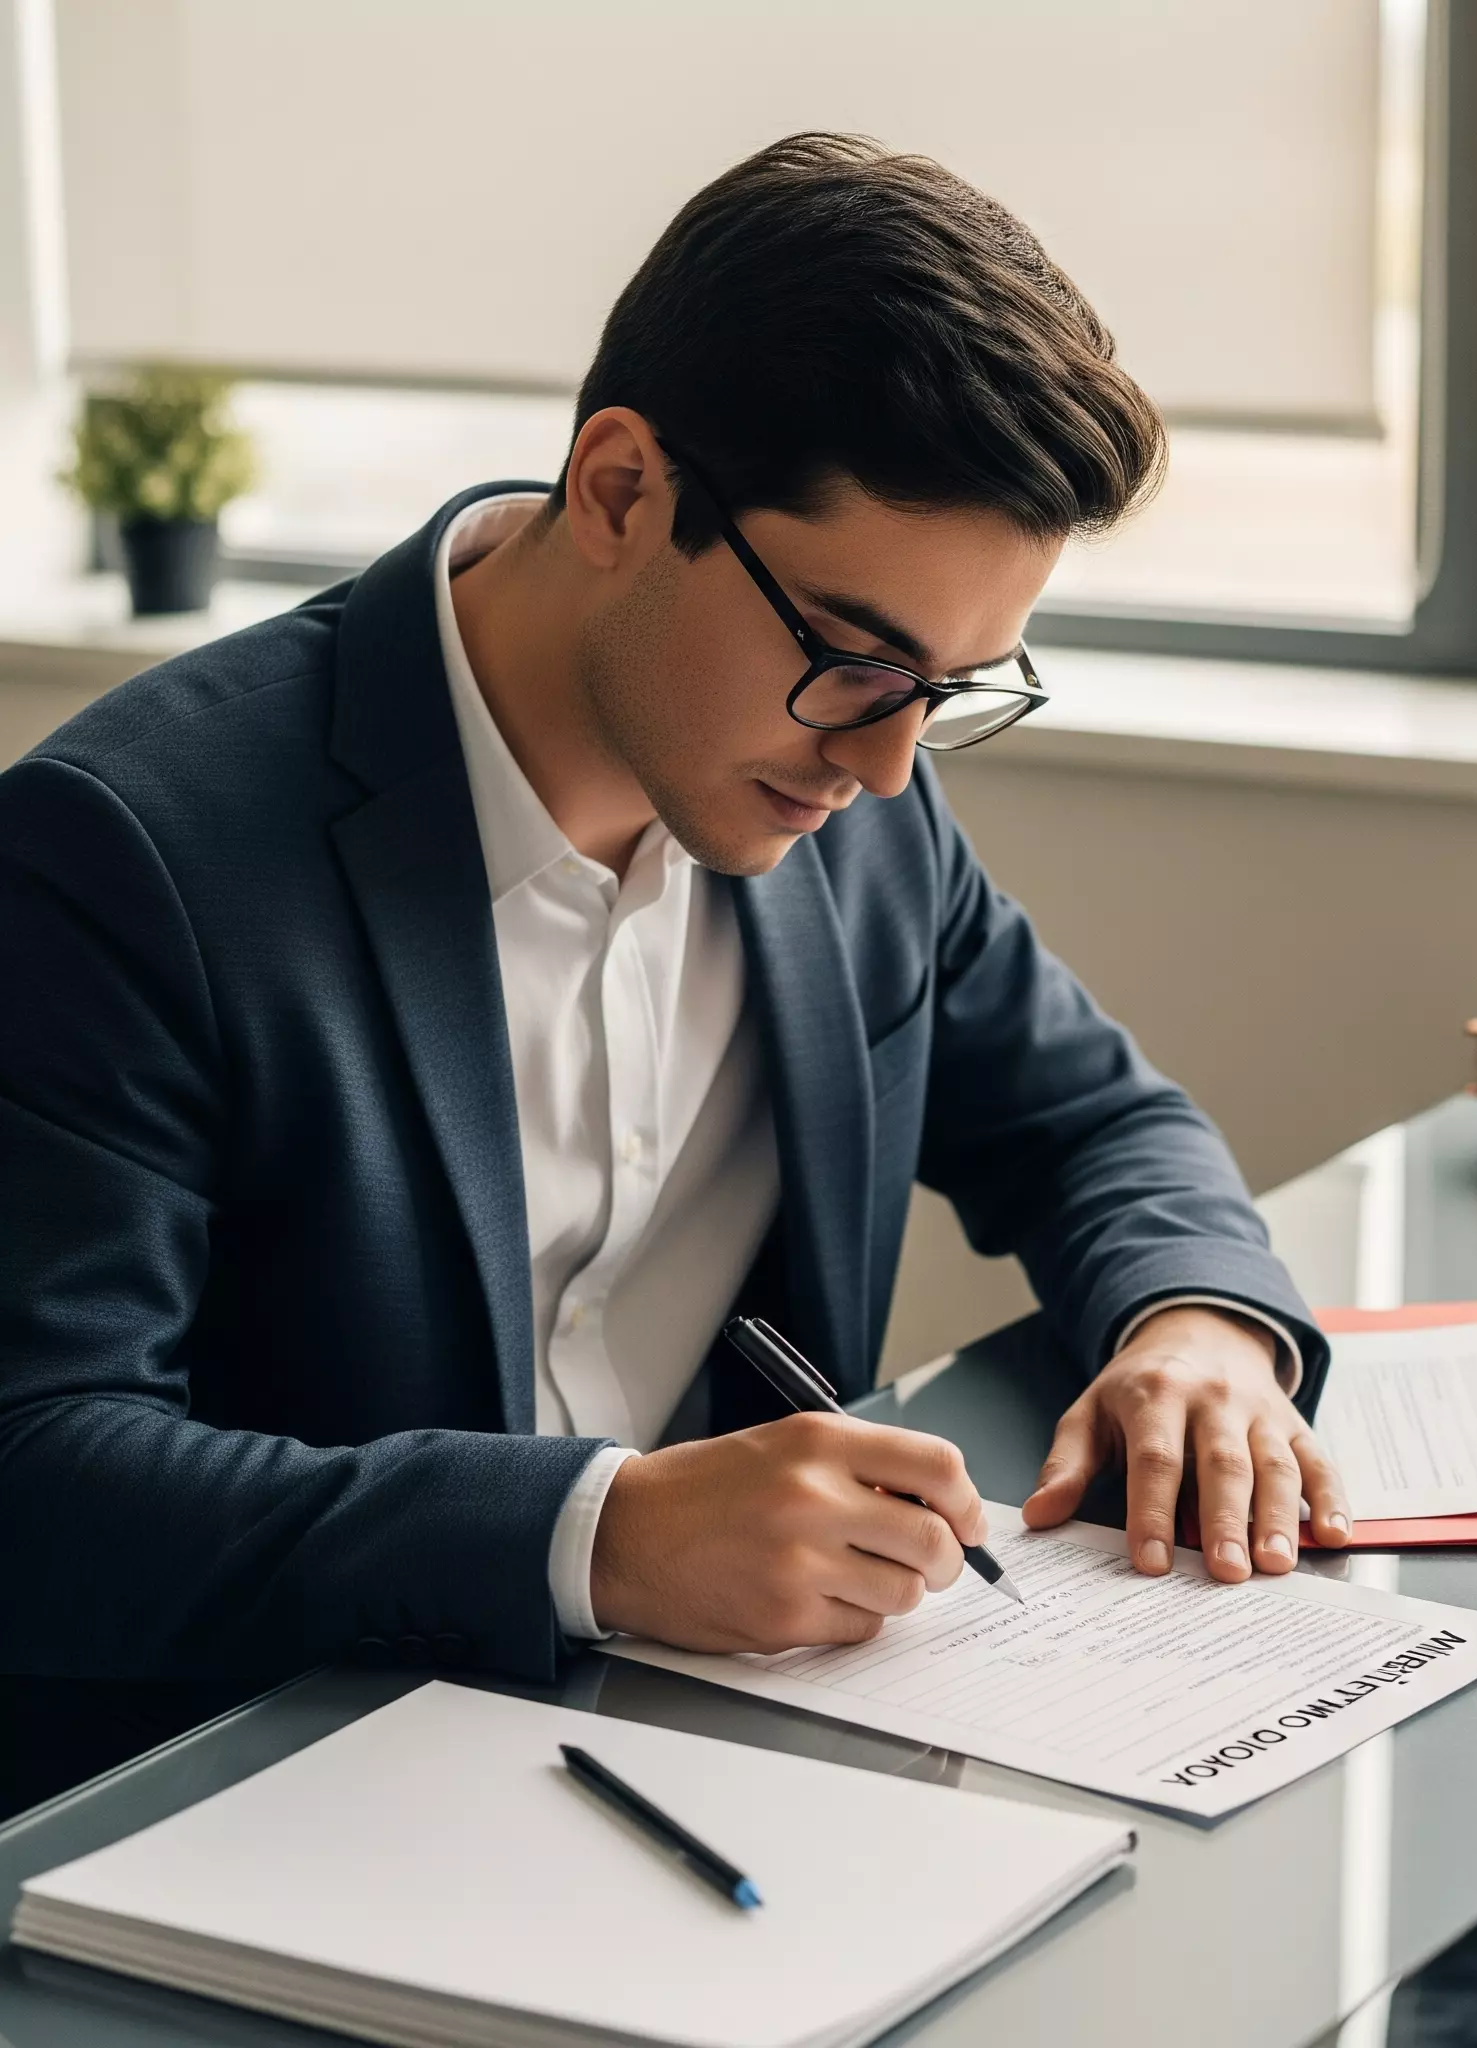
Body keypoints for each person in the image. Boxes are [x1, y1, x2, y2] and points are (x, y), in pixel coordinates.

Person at [0, 135, 1349, 1751]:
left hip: (747, 1745)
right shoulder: (127, 852)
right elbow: (37, 1465)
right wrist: (596, 1537)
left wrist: (1197, 1327)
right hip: (270, 1792)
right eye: (855, 656)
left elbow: (1091, 1121)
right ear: (624, 492)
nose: (886, 766)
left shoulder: (857, 808)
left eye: (953, 687)